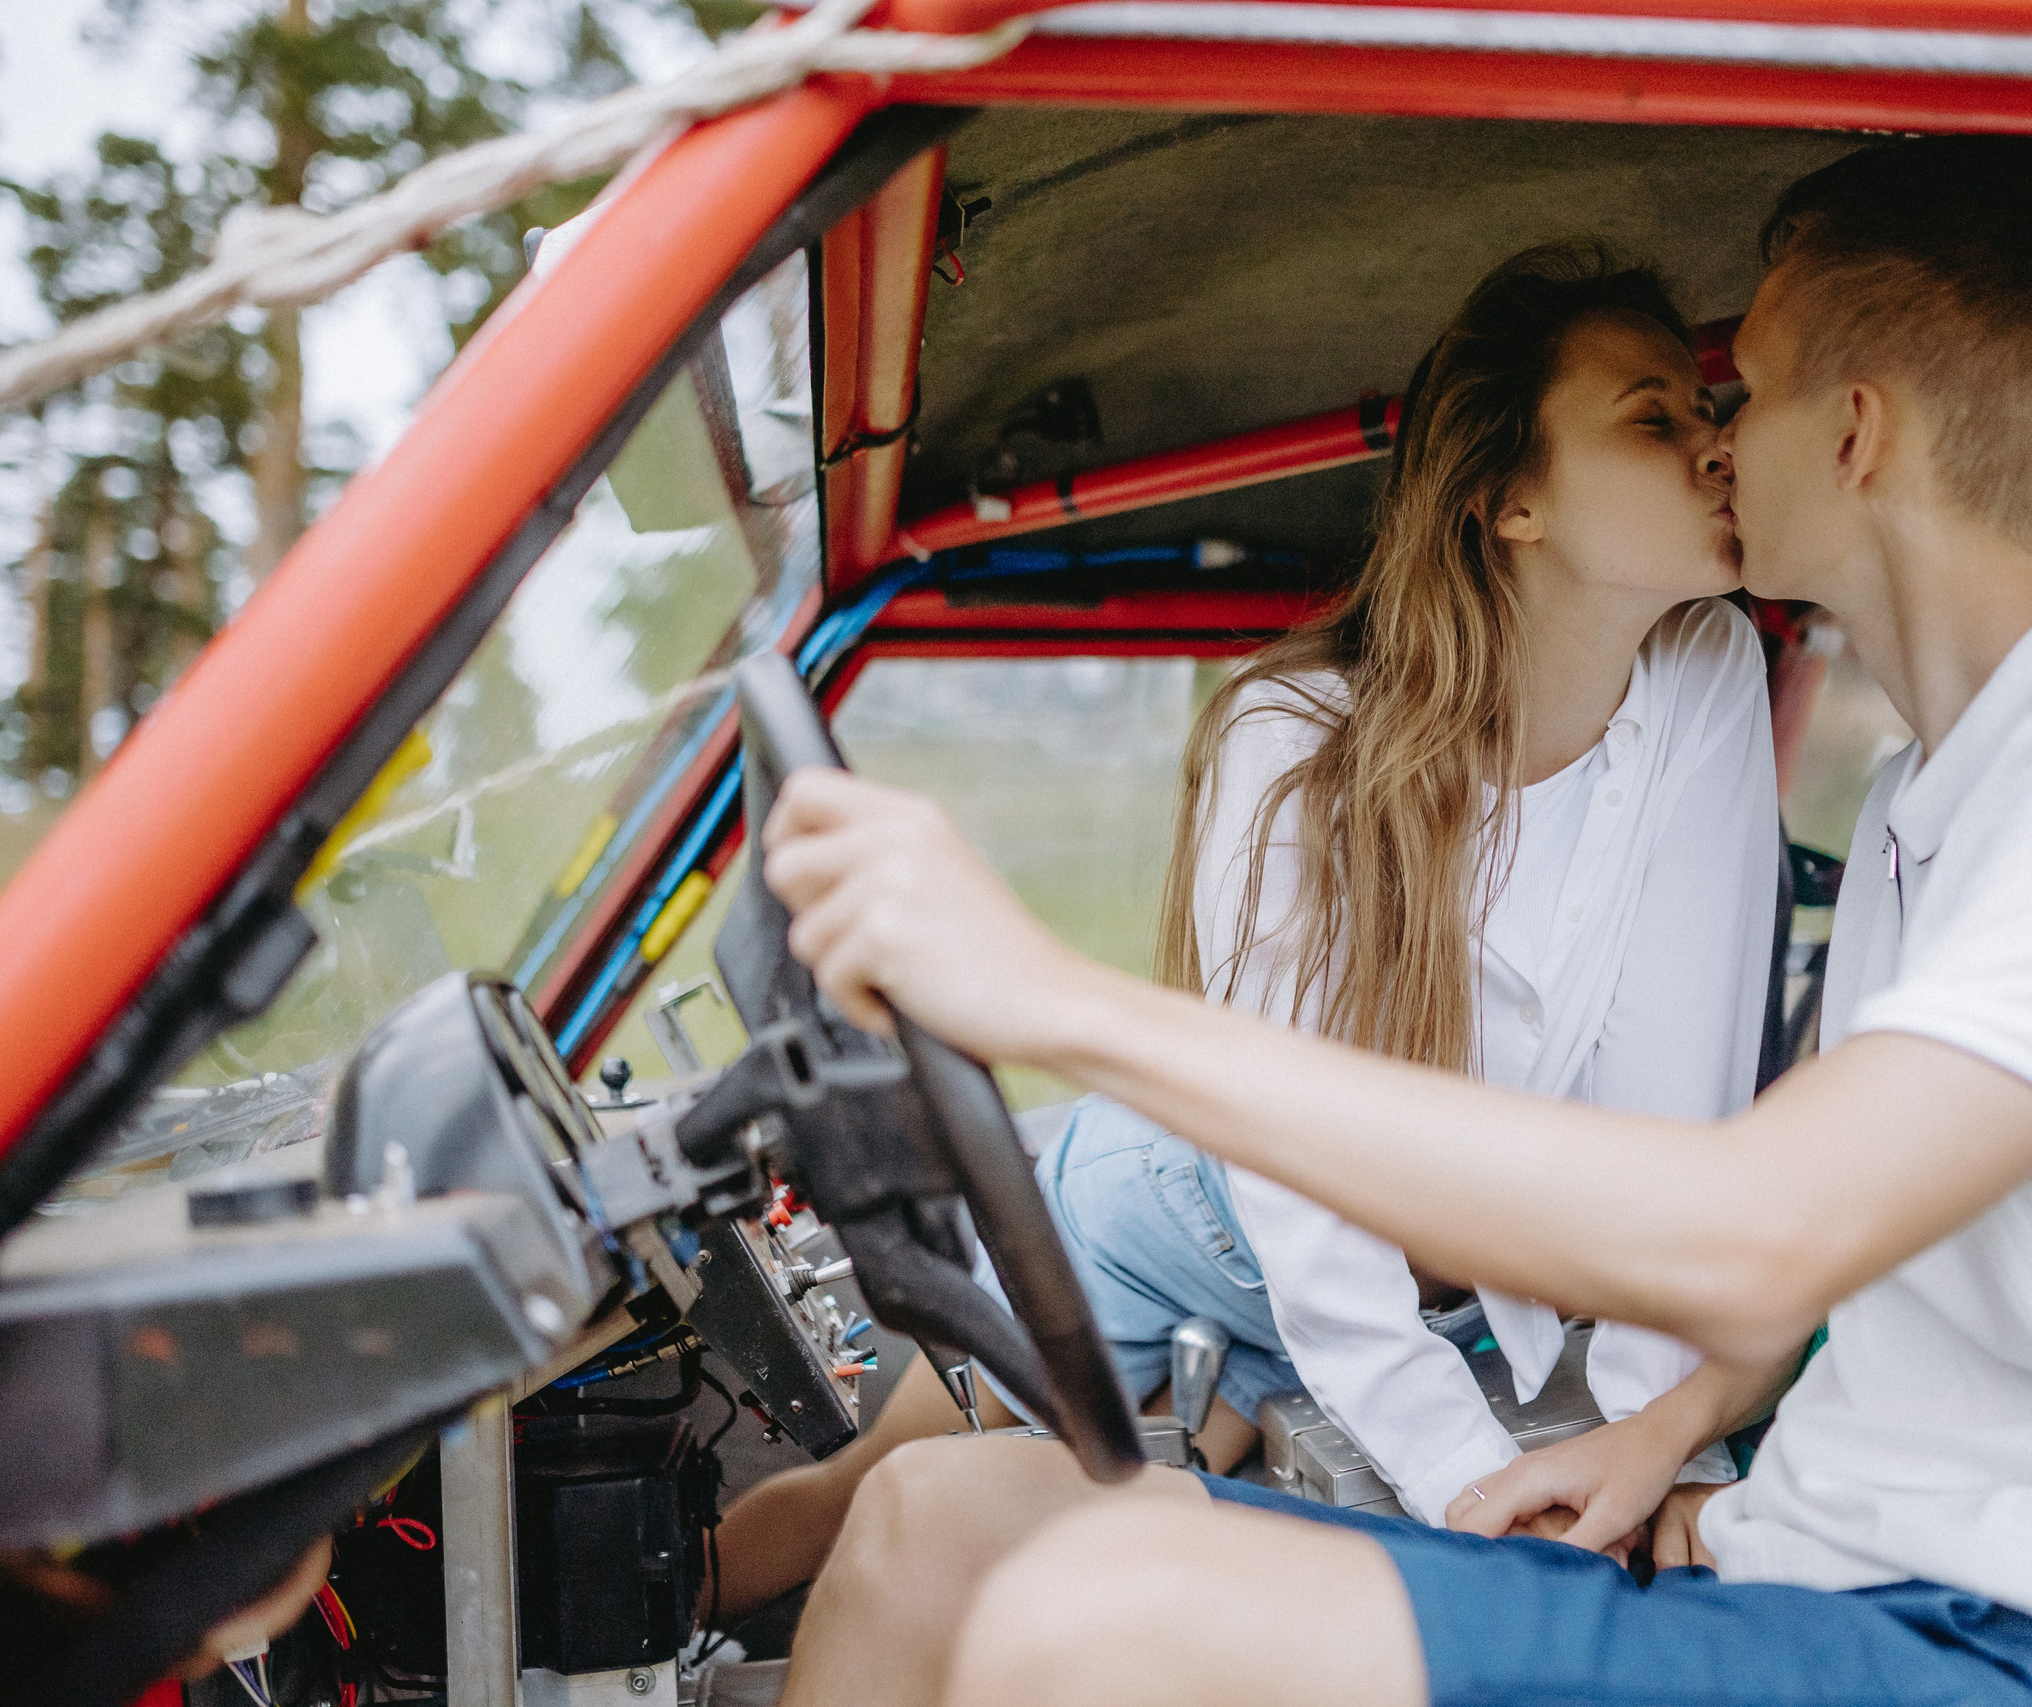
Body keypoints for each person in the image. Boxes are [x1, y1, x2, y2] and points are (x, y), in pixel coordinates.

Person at [760, 137, 2032, 1707]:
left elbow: (1757, 1235)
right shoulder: (1934, 801)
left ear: (1853, 439)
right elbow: (1852, 1264)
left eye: (1745, 391)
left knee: (1082, 1616)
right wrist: (1662, 1436)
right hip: (1828, 1568)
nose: (1720, 441)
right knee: (936, 1520)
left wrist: (1056, 1001)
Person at [711, 240, 1782, 1615]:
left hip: (1439, 1288)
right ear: (1509, 499)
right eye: (1653, 418)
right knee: (861, 1508)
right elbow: (1304, 1211)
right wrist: (1479, 1492)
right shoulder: (1292, 742)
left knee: (1128, 1548)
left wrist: (1655, 1443)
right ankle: (628, 1624)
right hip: (1185, 1210)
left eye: (1707, 408)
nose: (1717, 443)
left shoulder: (1707, 668)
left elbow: (1676, 1117)